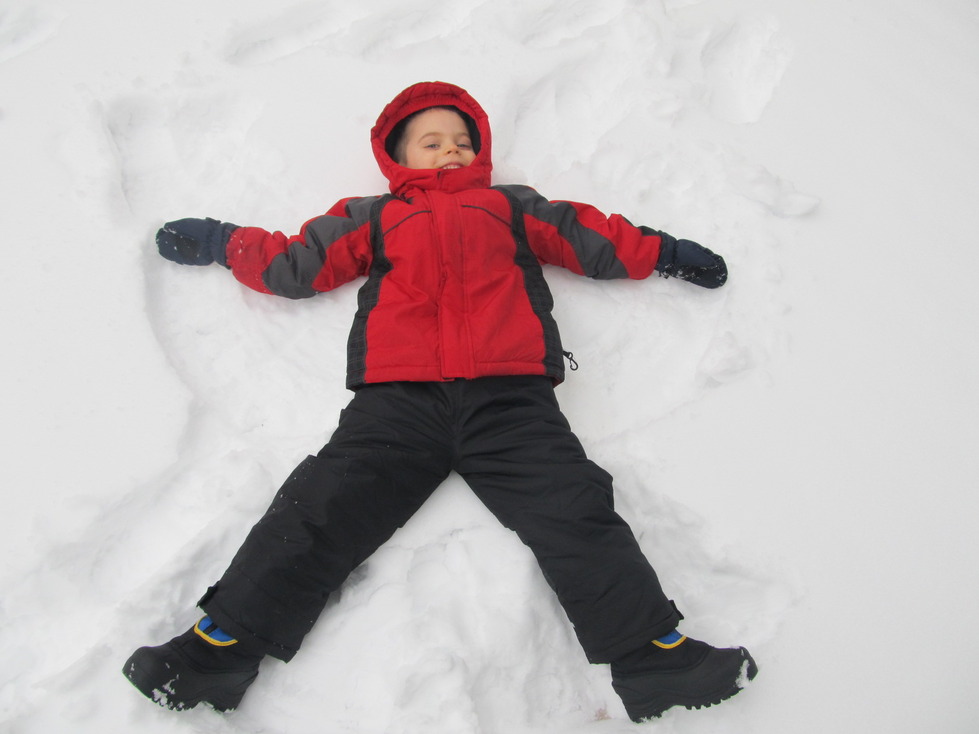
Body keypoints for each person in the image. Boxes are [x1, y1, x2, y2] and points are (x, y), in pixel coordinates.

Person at [123, 81, 757, 723]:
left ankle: (656, 660)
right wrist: (223, 242)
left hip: (511, 402)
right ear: (399, 156)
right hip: (397, 403)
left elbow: (593, 239)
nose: (449, 151)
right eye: (431, 142)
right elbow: (296, 265)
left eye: (461, 140)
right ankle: (213, 652)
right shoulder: (372, 215)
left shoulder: (512, 208)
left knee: (575, 510)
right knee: (318, 509)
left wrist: (668, 253)